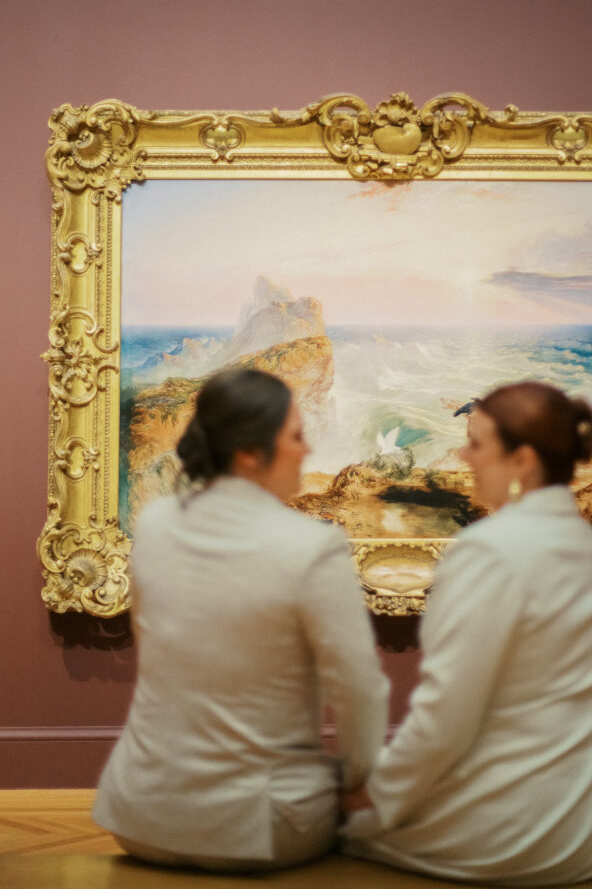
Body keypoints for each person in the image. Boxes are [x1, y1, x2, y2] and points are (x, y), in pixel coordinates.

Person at [342, 381, 592, 887]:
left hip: (523, 832)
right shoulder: (580, 540)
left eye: (476, 443)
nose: (463, 454)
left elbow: (445, 720)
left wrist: (373, 797)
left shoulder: (487, 551)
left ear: (523, 460)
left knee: (321, 825)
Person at [93, 367, 389, 872]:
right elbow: (360, 689)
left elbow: (149, 638)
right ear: (251, 452)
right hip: (255, 830)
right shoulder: (312, 546)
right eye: (296, 436)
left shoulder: (156, 525)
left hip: (137, 817)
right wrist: (358, 778)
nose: (307, 450)